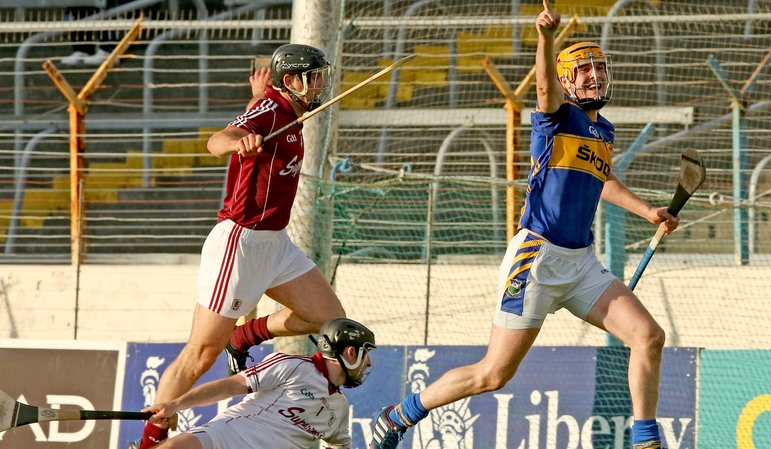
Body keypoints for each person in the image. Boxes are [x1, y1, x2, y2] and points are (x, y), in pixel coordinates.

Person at [368, 3, 679, 449]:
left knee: (648, 336)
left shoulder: (603, 132)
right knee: (492, 374)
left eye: (599, 68)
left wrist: (648, 212)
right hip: (537, 258)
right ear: (568, 81)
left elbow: (601, 180)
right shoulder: (556, 117)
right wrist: (545, 38)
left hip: (580, 263)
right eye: (584, 70)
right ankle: (398, 415)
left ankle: (646, 439)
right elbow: (543, 87)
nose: (594, 76)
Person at [130, 43, 346, 449]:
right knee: (200, 354)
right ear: (290, 81)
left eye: (321, 75)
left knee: (331, 320)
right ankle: (150, 439)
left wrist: (253, 103)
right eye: (312, 76)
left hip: (276, 245)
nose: (320, 84)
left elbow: (254, 113)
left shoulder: (284, 109)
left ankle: (246, 335)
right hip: (242, 242)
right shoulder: (270, 111)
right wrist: (238, 142)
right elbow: (217, 140)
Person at [141, 317, 376, 449]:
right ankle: (151, 437)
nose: (369, 364)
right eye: (366, 354)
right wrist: (176, 404)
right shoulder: (293, 366)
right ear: (350, 352)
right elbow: (229, 387)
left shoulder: (340, 408)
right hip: (225, 437)